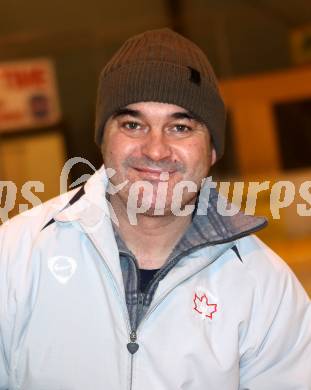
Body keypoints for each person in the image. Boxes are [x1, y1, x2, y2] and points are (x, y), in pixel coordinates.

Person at [0, 28, 310, 390]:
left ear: (212, 150)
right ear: (103, 138)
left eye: (180, 127)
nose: (156, 150)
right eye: (133, 124)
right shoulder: (15, 255)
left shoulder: (265, 286)